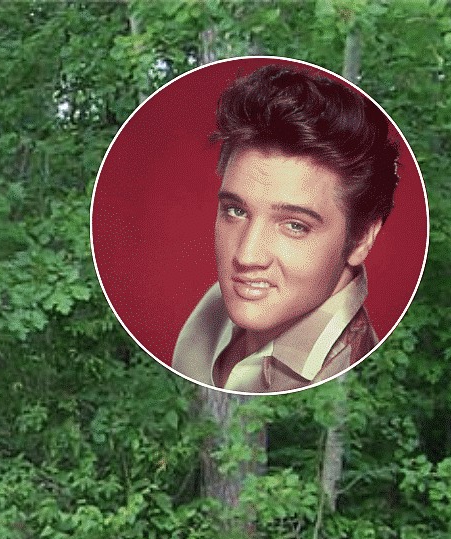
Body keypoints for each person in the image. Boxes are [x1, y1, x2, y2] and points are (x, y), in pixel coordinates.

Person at [171, 64, 400, 393]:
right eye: (236, 211)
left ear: (361, 239)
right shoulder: (216, 308)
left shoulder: (345, 382)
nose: (246, 256)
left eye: (295, 225)